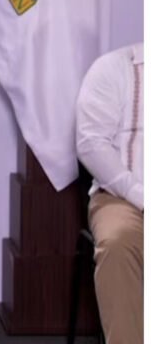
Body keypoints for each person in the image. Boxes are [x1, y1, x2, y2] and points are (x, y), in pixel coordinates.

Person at [75, 42, 144, 344]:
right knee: (118, 243)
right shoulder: (114, 68)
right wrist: (141, 195)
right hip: (124, 197)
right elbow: (92, 144)